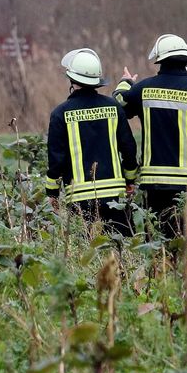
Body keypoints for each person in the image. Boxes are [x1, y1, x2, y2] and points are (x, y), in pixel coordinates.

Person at [115, 34, 187, 239]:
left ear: (159, 60)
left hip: (153, 185)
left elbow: (118, 106)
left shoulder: (144, 89)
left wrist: (125, 83)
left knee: (156, 243)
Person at [45, 48, 138, 235]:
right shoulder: (114, 107)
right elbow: (128, 148)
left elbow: (56, 160)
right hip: (115, 198)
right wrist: (130, 181)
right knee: (123, 251)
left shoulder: (60, 114)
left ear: (71, 79)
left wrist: (52, 194)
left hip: (80, 201)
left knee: (86, 256)